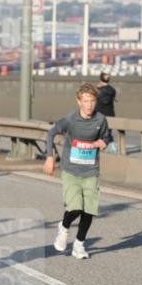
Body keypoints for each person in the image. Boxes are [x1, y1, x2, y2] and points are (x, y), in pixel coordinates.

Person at [43, 83, 114, 259]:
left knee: (89, 210)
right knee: (75, 207)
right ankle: (64, 227)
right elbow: (51, 134)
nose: (89, 105)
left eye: (92, 101)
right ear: (79, 101)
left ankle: (79, 245)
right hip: (71, 170)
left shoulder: (100, 120)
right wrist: (50, 157)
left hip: (91, 170)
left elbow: (108, 136)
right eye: (85, 101)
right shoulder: (70, 119)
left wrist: (103, 142)